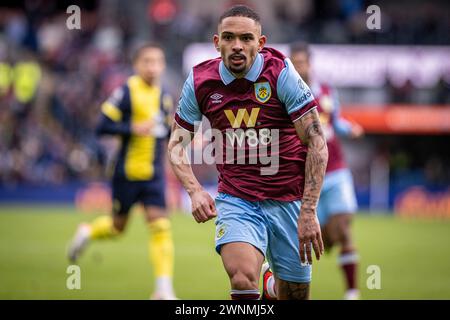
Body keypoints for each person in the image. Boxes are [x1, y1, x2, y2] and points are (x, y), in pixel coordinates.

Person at [168, 5, 328, 300]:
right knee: (241, 279)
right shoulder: (200, 82)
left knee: (293, 294)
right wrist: (194, 191)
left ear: (261, 43)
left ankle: (272, 287)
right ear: (217, 42)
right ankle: (261, 284)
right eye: (228, 37)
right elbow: (176, 145)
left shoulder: (281, 74)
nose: (237, 45)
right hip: (236, 198)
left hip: (288, 198)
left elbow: (317, 142)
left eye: (246, 38)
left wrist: (308, 211)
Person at [67, 43, 177, 300]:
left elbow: (165, 129)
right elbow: (102, 126)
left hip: (153, 174)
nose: (153, 67)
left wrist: (186, 138)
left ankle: (163, 290)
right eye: (147, 62)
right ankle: (88, 232)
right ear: (137, 65)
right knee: (117, 228)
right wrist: (131, 128)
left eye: (157, 62)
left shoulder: (164, 94)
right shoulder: (126, 91)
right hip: (126, 173)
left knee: (161, 227)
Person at [262, 42, 364, 300]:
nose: (299, 67)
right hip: (302, 177)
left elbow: (335, 122)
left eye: (303, 62)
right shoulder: (283, 94)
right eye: (294, 62)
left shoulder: (327, 92)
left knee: (343, 229)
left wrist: (347, 128)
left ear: (310, 63)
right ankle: (277, 286)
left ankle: (352, 292)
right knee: (306, 242)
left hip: (336, 171)